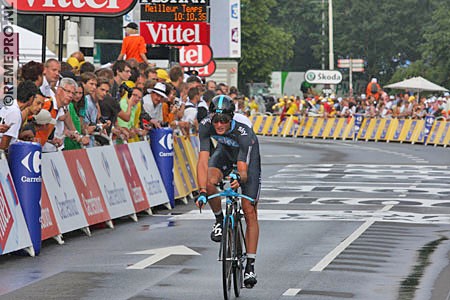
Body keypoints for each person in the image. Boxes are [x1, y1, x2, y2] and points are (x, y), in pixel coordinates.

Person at [196, 95, 261, 288]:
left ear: (231, 118)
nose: (219, 124)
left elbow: (243, 168)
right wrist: (201, 191)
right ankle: (219, 220)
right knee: (208, 182)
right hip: (224, 153)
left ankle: (250, 265)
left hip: (247, 159)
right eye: (216, 120)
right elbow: (202, 161)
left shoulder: (243, 129)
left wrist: (238, 178)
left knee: (248, 208)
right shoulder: (206, 125)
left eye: (224, 120)